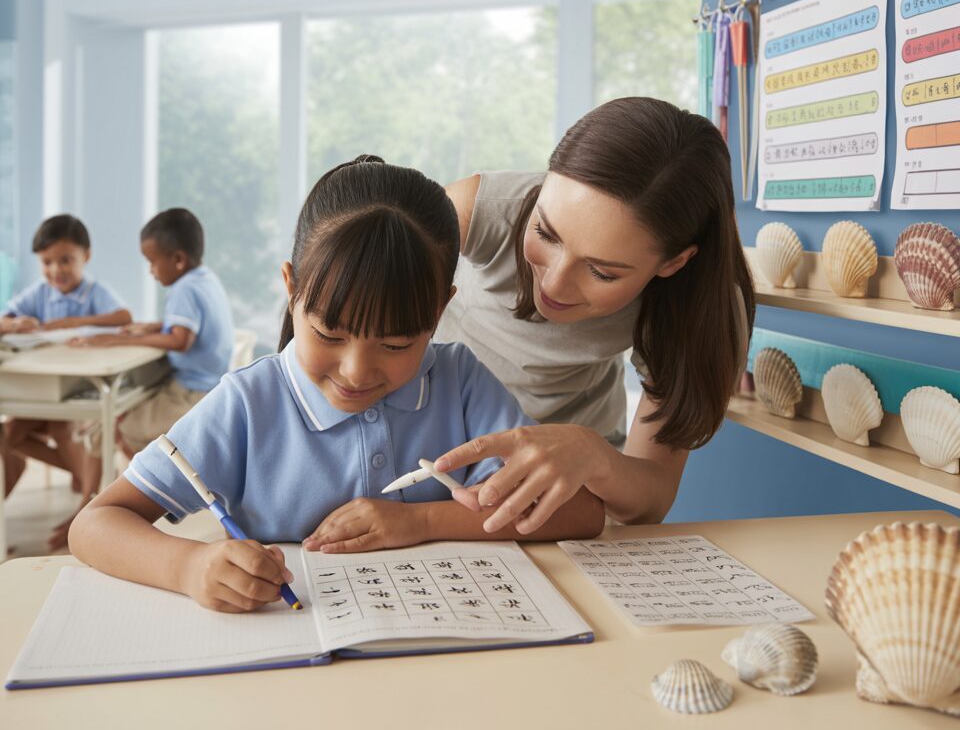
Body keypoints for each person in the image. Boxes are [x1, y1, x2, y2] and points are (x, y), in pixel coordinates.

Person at [69, 156, 604, 613]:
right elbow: (95, 525)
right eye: (327, 333)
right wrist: (187, 565)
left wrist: (418, 521)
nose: (355, 372)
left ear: (441, 309)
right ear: (291, 288)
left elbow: (580, 512)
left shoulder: (460, 381)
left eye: (395, 345)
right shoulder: (250, 403)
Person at [431, 97, 756, 535]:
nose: (554, 285)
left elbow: (648, 504)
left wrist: (594, 456)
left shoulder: (701, 310)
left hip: (564, 499)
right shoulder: (480, 209)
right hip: (428, 450)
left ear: (673, 263)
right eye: (545, 232)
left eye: (601, 271)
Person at [57, 208, 234, 549]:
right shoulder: (204, 279)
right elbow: (181, 327)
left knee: (111, 425)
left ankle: (119, 506)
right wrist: (150, 326)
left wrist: (118, 339)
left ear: (178, 259)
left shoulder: (183, 289)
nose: (151, 272)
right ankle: (96, 504)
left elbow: (180, 339)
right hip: (206, 387)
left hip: (190, 395)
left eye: (152, 262)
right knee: (113, 421)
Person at [0, 214, 132, 511]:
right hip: (41, 387)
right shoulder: (40, 292)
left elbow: (124, 317)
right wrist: (13, 324)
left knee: (62, 429)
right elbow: (6, 318)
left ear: (86, 256)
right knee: (10, 434)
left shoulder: (93, 293)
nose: (55, 270)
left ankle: (88, 493)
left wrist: (75, 322)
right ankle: (83, 475)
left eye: (65, 261)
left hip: (80, 389)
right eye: (47, 262)